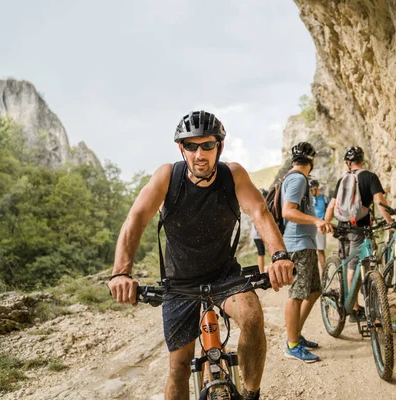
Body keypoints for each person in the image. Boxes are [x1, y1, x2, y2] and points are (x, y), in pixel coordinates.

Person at [108, 110, 294, 400]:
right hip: (179, 282)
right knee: (179, 367)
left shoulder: (233, 175)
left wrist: (279, 255)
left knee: (252, 316)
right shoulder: (168, 177)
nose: (199, 154)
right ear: (180, 148)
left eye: (207, 145)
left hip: (225, 275)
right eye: (191, 146)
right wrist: (121, 273)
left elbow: (259, 211)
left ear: (219, 146)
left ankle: (250, 393)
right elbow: (136, 219)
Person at [324, 146, 393, 323]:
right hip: (359, 229)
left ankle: (351, 304)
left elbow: (332, 206)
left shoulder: (342, 180)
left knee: (348, 262)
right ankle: (353, 310)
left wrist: (325, 223)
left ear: (348, 163)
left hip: (342, 229)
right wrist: (389, 221)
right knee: (353, 267)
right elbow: (379, 201)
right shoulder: (370, 177)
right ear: (363, 160)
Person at [281, 142, 333, 363]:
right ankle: (292, 345)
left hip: (306, 243)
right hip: (298, 244)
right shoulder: (297, 179)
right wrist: (316, 219)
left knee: (313, 291)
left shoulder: (296, 179)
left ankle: (296, 335)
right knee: (297, 294)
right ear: (311, 161)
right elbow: (288, 212)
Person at [309, 179, 330, 272]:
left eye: (311, 190)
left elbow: (330, 211)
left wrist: (326, 222)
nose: (310, 191)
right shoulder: (309, 199)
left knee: (320, 250)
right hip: (310, 226)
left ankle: (324, 273)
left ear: (316, 189)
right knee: (311, 252)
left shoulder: (325, 199)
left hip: (320, 227)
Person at [251, 188, 269, 272]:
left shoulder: (259, 206)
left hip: (262, 234)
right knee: (261, 253)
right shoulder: (257, 207)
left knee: (266, 253)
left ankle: (268, 271)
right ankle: (261, 272)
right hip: (258, 235)